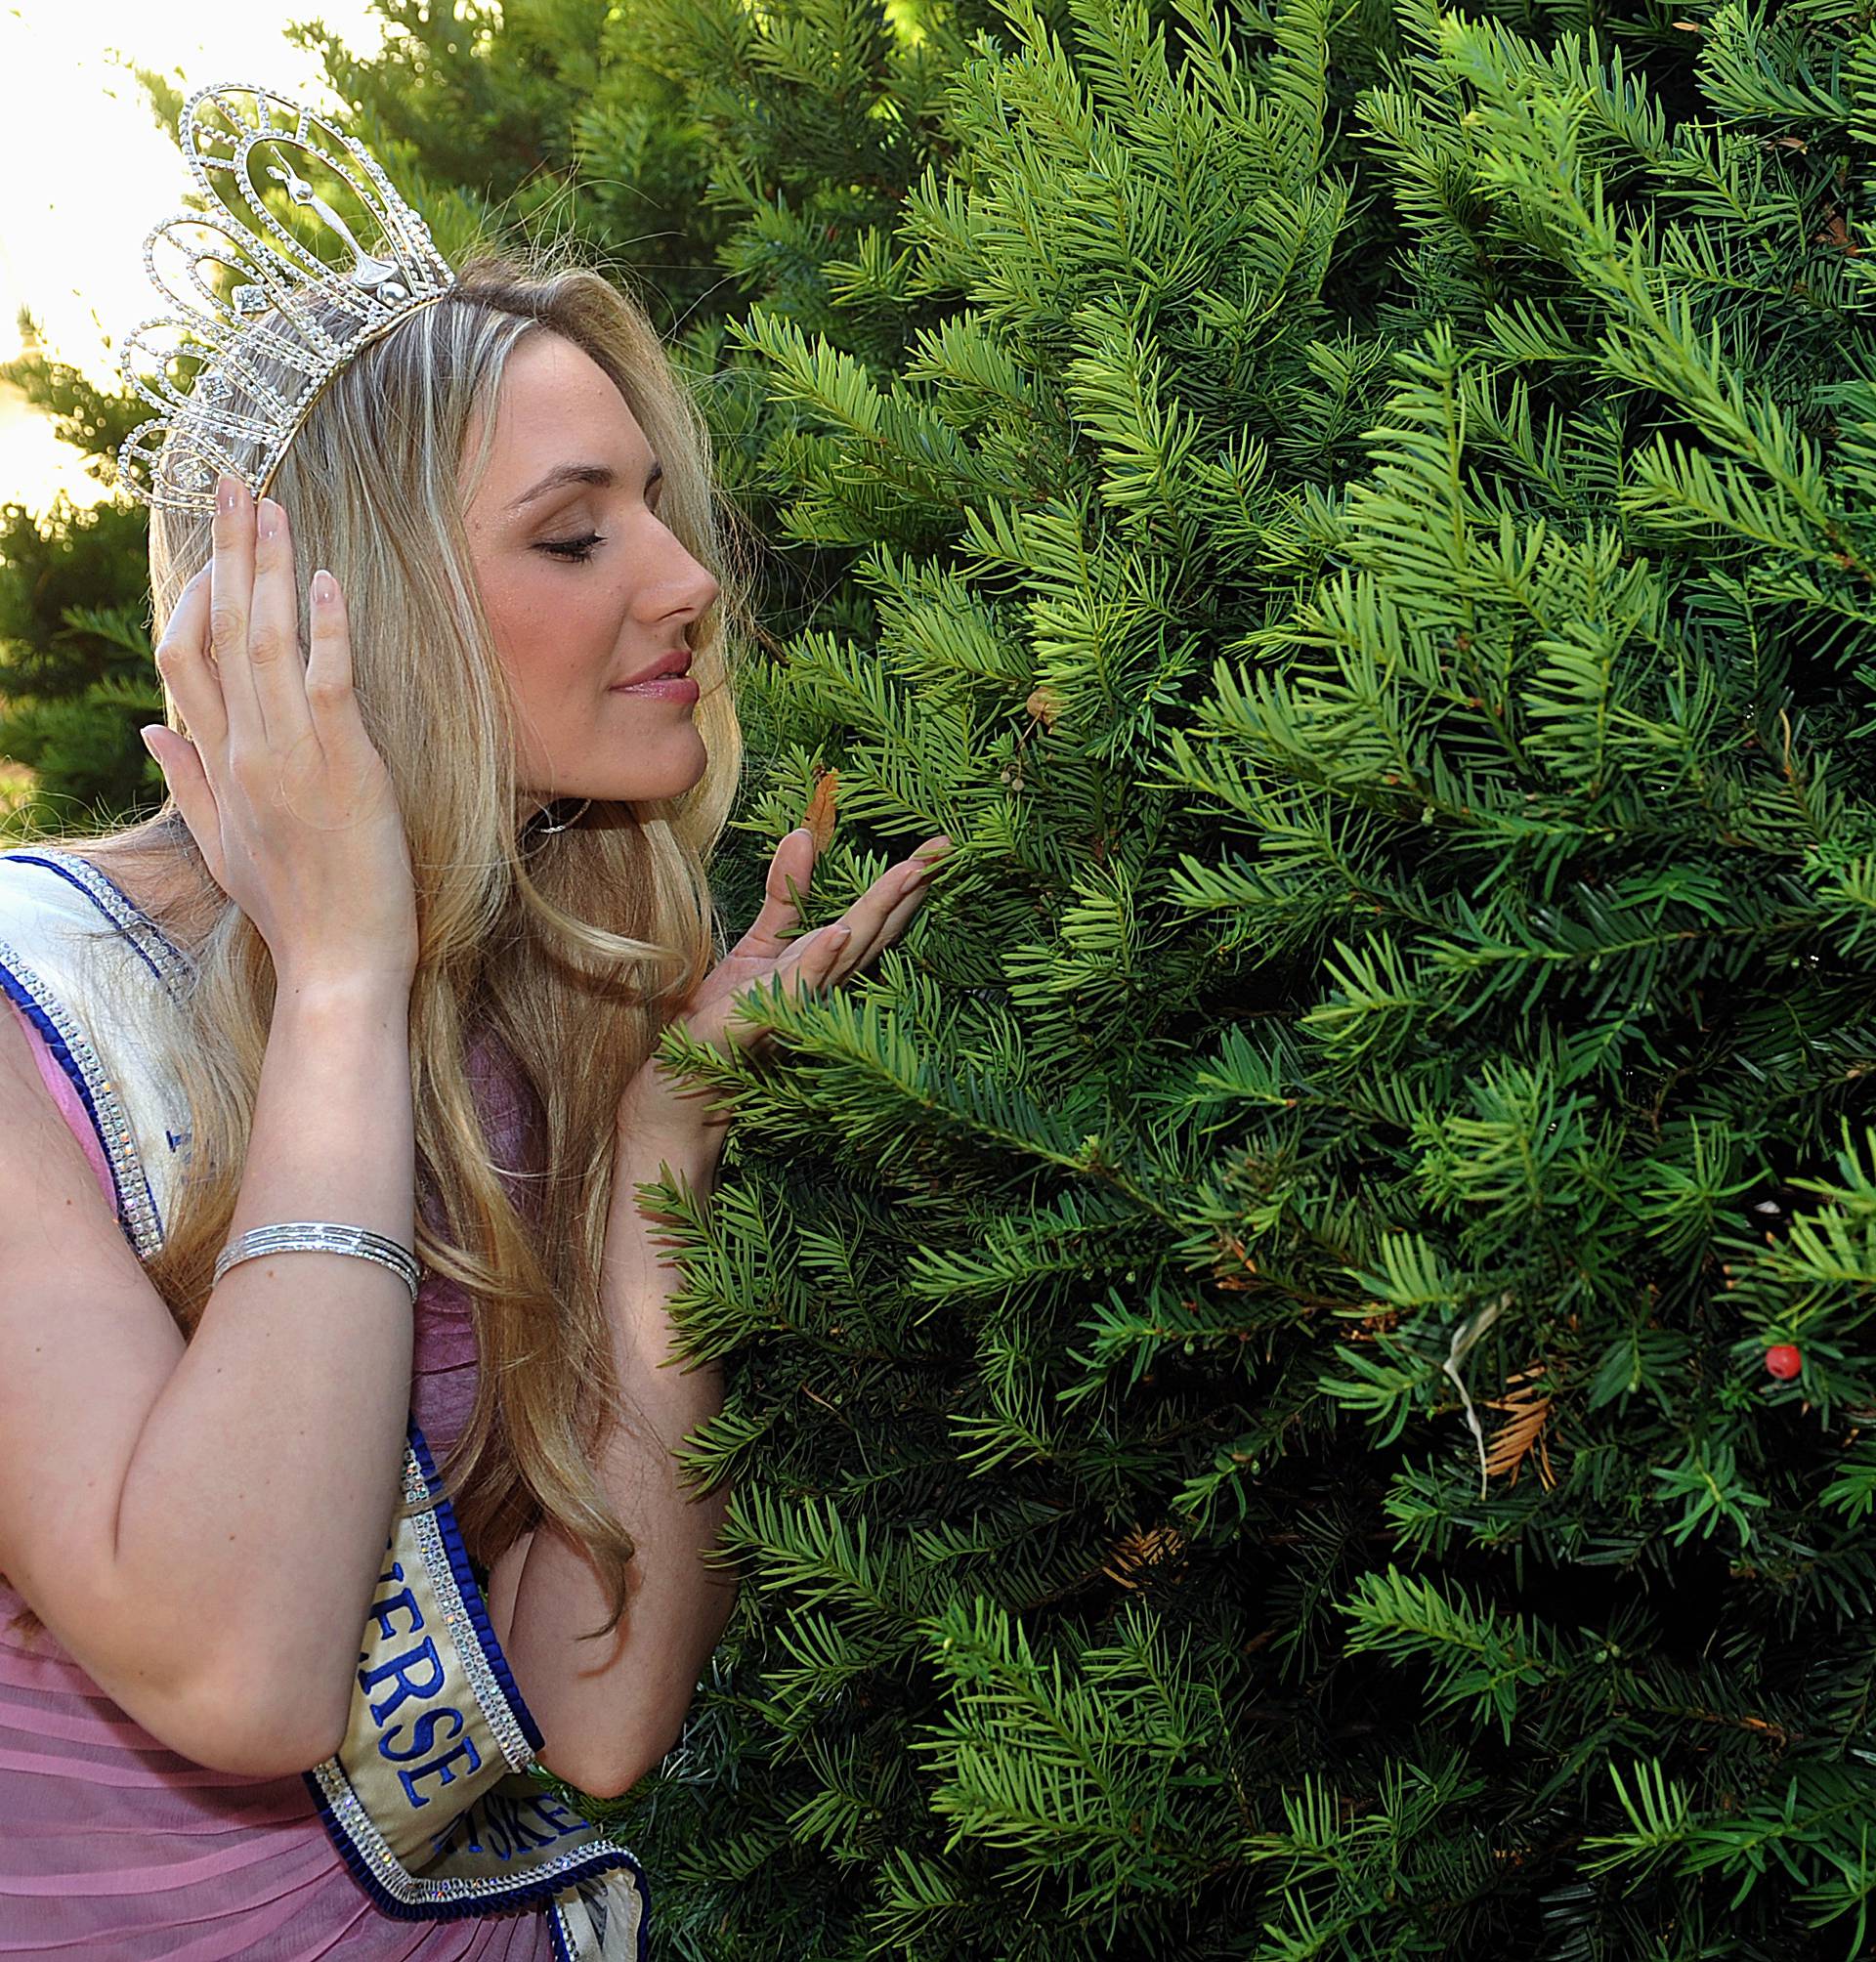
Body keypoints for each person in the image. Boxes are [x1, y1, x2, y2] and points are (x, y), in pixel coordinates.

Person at [0, 81, 951, 1956]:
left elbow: (593, 1718)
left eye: (658, 513)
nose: (689, 582)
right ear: (372, 619)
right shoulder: (35, 1034)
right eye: (574, 535)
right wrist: (346, 976)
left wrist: (667, 1157)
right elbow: (245, 1676)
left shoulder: (544, 1002)